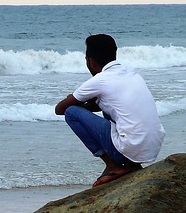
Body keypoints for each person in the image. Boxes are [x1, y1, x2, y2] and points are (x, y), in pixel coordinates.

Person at [54, 34, 164, 187]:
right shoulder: (132, 73)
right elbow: (113, 104)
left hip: (131, 147)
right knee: (109, 106)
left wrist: (81, 103)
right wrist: (92, 102)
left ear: (90, 61)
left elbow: (60, 109)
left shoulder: (99, 80)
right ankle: (131, 165)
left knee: (72, 112)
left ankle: (113, 165)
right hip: (151, 147)